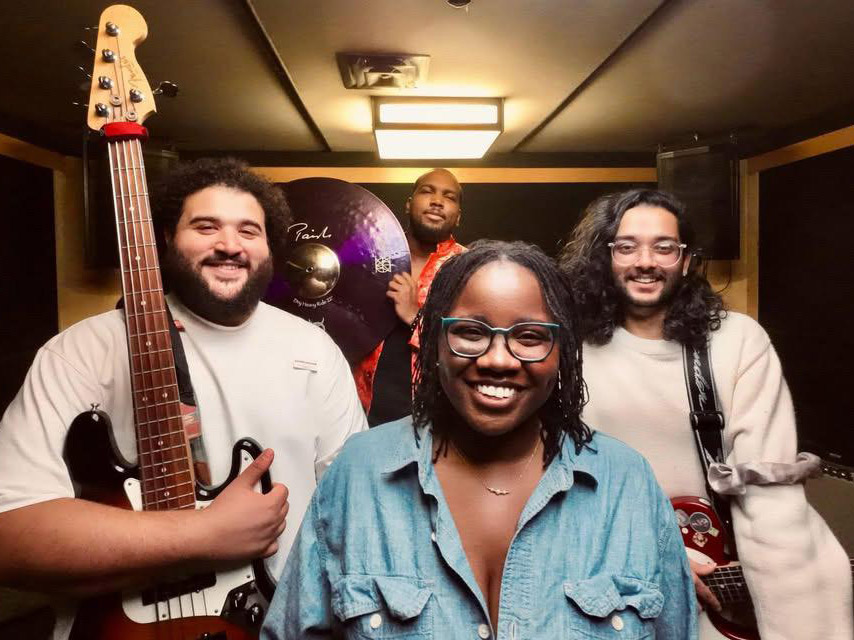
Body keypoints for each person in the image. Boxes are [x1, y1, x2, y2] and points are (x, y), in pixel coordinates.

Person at [0, 158, 367, 638]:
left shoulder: (314, 350)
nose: (229, 244)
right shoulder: (82, 352)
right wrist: (204, 535)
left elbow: (354, 510)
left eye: (248, 230)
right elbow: (11, 537)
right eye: (205, 226)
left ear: (270, 248)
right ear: (166, 237)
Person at [263, 240, 697, 639]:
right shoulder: (359, 473)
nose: (497, 359)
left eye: (530, 337)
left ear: (562, 352)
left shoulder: (627, 483)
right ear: (433, 342)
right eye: (471, 332)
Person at [559, 188, 852, 640]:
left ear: (686, 261)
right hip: (607, 572)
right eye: (627, 247)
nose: (645, 261)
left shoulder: (737, 341)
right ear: (605, 256)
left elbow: (770, 497)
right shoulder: (569, 350)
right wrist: (653, 554)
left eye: (664, 247)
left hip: (723, 577)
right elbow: (554, 485)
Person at [354, 168, 465, 425]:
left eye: (449, 197)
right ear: (408, 204)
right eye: (427, 191)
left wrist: (416, 317)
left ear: (458, 217)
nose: (437, 201)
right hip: (362, 413)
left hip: (434, 421)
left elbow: (471, 346)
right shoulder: (371, 255)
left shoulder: (470, 268)